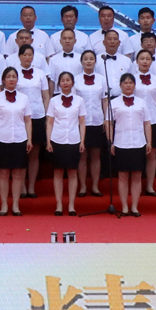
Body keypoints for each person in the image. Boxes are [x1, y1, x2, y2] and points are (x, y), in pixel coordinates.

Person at [109, 73, 156, 217]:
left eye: (131, 83)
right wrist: (111, 142)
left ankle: (134, 207)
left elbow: (147, 123)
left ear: (135, 85)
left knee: (137, 175)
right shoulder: (113, 103)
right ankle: (124, 207)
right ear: (120, 85)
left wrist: (149, 141)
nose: (128, 85)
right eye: (125, 83)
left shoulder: (141, 102)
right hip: (121, 142)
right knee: (122, 175)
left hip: (138, 142)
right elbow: (109, 124)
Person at [0, 66, 33, 217]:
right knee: (3, 173)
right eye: (8, 77)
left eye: (14, 76)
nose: (11, 79)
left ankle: (15, 204)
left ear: (17, 79)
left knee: (18, 173)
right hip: (2, 138)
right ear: (3, 80)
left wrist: (29, 138)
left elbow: (27, 120)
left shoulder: (24, 98)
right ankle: (3, 204)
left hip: (20, 138)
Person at [13, 44, 50, 198]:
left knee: (34, 153)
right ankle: (21, 186)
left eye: (30, 55)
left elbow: (46, 96)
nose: (27, 57)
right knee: (21, 152)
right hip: (19, 117)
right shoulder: (14, 73)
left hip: (37, 115)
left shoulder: (40, 73)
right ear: (19, 57)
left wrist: (48, 115)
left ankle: (31, 187)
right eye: (25, 55)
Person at [47, 71, 86, 216]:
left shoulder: (79, 100)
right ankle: (58, 204)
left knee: (72, 172)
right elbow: (50, 122)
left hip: (74, 139)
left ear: (72, 83)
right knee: (57, 172)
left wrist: (82, 141)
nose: (65, 82)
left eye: (68, 80)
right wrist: (48, 141)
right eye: (62, 80)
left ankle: (71, 205)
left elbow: (82, 122)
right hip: (57, 139)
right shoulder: (54, 101)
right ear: (59, 84)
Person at [134, 49, 156, 196]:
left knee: (152, 153)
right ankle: (135, 186)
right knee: (136, 153)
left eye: (147, 59)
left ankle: (149, 186)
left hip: (153, 120)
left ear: (151, 61)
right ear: (137, 61)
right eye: (142, 59)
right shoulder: (131, 79)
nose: (145, 61)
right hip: (135, 121)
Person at [74, 50, 107, 198]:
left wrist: (106, 119)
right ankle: (82, 186)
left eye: (91, 59)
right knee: (82, 156)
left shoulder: (101, 79)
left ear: (95, 61)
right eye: (85, 59)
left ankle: (95, 186)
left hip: (97, 120)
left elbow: (104, 101)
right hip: (81, 122)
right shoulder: (76, 79)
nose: (88, 61)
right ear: (81, 62)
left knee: (96, 155)